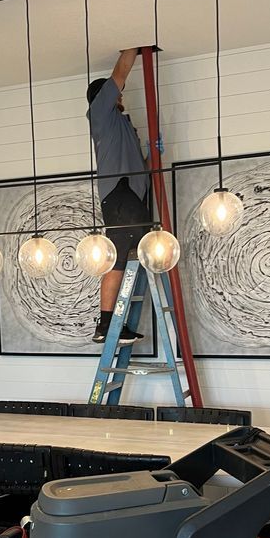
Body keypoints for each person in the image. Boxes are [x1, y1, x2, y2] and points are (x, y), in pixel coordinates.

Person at [86, 48, 152, 344]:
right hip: (120, 197)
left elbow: (140, 166)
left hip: (133, 197)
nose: (121, 96)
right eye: (117, 94)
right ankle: (106, 325)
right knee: (117, 262)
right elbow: (119, 74)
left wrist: (154, 155)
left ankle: (113, 324)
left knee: (127, 261)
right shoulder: (101, 115)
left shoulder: (124, 126)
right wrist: (133, 48)